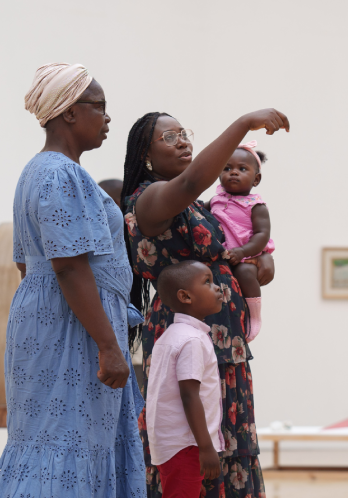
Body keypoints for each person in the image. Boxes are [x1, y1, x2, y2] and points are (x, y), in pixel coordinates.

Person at [0, 63, 146, 497]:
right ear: (69, 114)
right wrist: (109, 346)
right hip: (73, 330)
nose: (108, 118)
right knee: (64, 440)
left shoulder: (41, 171)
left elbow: (29, 266)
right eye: (99, 107)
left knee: (56, 440)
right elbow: (69, 266)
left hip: (57, 321)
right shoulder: (60, 173)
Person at [122, 108, 288, 497]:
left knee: (230, 437)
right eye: (168, 137)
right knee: (194, 444)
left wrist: (257, 258)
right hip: (186, 332)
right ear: (146, 155)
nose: (182, 141)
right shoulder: (149, 199)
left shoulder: (196, 204)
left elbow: (233, 241)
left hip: (222, 338)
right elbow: (195, 179)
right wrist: (245, 124)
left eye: (184, 133)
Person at [147, 261, 225, 498]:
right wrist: (205, 447)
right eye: (207, 282)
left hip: (175, 444)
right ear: (185, 296)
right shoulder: (191, 340)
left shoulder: (172, 335)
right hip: (187, 445)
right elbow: (189, 396)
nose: (218, 288)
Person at [206, 140, 274, 342]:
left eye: (242, 169)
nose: (233, 172)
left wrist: (243, 252)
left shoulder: (256, 205)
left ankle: (255, 316)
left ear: (256, 179)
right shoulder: (215, 200)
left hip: (247, 255)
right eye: (227, 168)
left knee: (244, 273)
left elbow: (262, 235)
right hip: (225, 257)